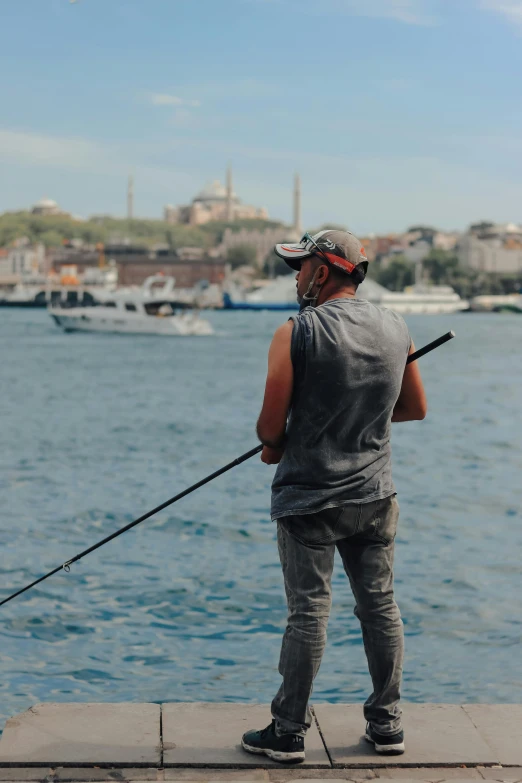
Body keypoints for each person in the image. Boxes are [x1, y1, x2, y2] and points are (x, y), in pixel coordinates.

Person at [241, 230, 427, 764]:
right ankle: (388, 726)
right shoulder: (396, 327)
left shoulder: (294, 332)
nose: (295, 276)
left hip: (309, 501)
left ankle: (288, 731)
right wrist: (358, 417)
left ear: (322, 271)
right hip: (374, 495)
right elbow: (413, 408)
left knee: (308, 613)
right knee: (380, 608)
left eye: (300, 267)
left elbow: (270, 429)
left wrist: (277, 445)